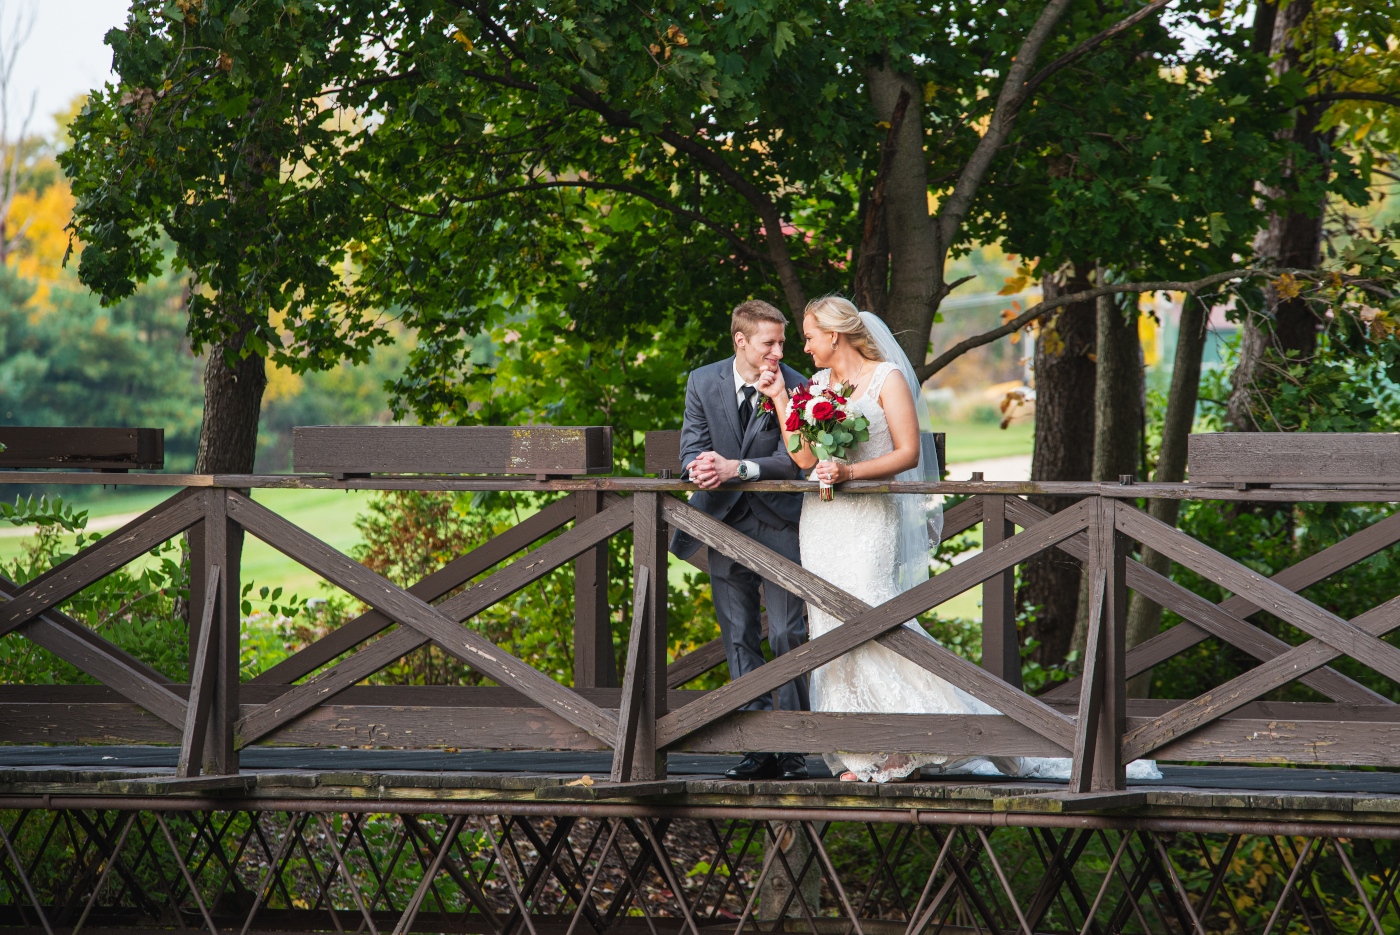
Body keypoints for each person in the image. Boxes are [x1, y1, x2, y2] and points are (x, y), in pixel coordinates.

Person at [756, 296, 1161, 783]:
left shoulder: (887, 378)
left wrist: (850, 469)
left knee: (875, 618)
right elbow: (802, 460)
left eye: (810, 335)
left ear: (835, 335)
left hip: (868, 521)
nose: (806, 346)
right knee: (830, 630)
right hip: (823, 522)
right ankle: (861, 745)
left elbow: (908, 453)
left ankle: (919, 739)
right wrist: (781, 399)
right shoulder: (816, 385)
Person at [671, 299, 812, 781]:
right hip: (722, 523)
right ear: (741, 341)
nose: (778, 352)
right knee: (738, 634)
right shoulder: (701, 381)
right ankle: (754, 747)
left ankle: (791, 746)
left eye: (782, 343)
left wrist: (738, 468)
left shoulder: (799, 385)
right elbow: (691, 444)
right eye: (769, 343)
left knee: (787, 633)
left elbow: (794, 462)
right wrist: (700, 465)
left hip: (780, 522)